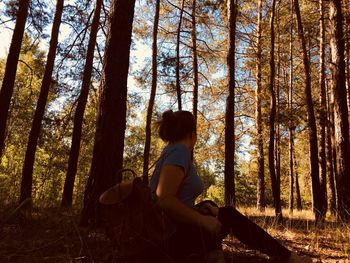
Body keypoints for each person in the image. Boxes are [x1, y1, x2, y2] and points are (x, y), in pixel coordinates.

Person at [150, 110, 312, 263]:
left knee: (211, 206)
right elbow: (164, 200)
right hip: (169, 240)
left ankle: (211, 254)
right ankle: (287, 257)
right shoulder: (180, 151)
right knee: (228, 215)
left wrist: (200, 210)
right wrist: (202, 220)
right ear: (193, 134)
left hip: (170, 234)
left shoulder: (171, 150)